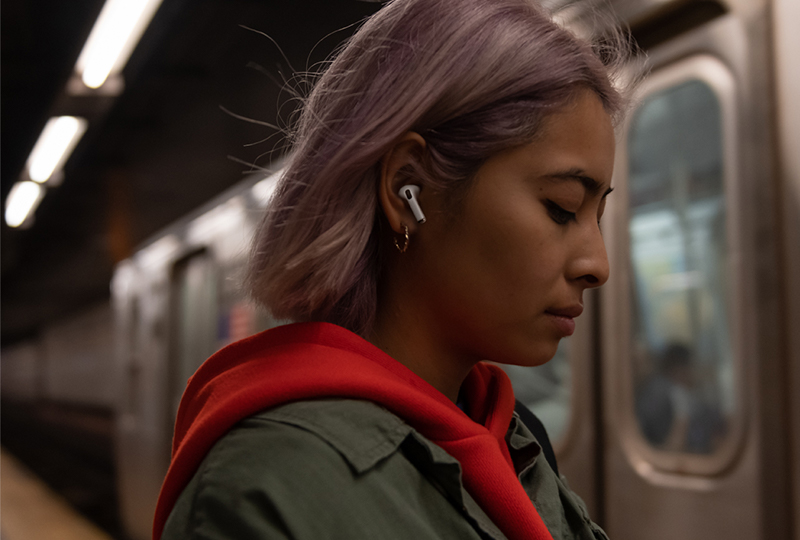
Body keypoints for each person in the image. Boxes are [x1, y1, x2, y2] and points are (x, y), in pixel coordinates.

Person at [154, 0, 635, 538]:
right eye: (562, 207)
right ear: (409, 190)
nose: (598, 265)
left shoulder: (514, 440)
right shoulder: (268, 486)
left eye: (598, 215)